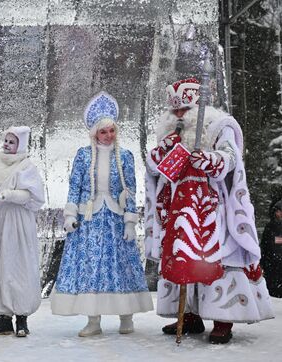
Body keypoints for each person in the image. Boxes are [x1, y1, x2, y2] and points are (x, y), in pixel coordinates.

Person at [144, 78, 274, 344]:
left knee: (218, 257)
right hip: (179, 206)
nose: (179, 115)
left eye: (184, 110)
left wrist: (212, 160)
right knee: (182, 253)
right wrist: (160, 155)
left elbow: (231, 156)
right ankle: (190, 315)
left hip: (213, 207)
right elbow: (156, 170)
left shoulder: (218, 125)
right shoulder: (168, 132)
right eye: (174, 111)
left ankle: (222, 317)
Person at [51, 92, 153, 336]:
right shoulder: (83, 155)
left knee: (120, 266)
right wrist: (70, 214)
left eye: (112, 131)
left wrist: (130, 221)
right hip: (90, 219)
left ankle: (126, 316)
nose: (108, 136)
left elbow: (130, 189)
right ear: (95, 133)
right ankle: (93, 320)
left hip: (115, 220)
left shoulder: (125, 156)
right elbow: (75, 186)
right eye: (103, 132)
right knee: (91, 267)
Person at [0, 126, 45, 338]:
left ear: (20, 145)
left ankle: (21, 317)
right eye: (5, 140)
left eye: (12, 142)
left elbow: (33, 197)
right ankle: (3, 318)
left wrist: (9, 194)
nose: (6, 144)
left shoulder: (25, 166)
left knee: (16, 264)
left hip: (15, 219)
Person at [260, 200, 282, 297]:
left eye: (280, 211)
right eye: (277, 211)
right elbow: (264, 246)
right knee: (271, 292)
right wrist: (262, 264)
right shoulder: (269, 227)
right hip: (271, 265)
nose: (279, 213)